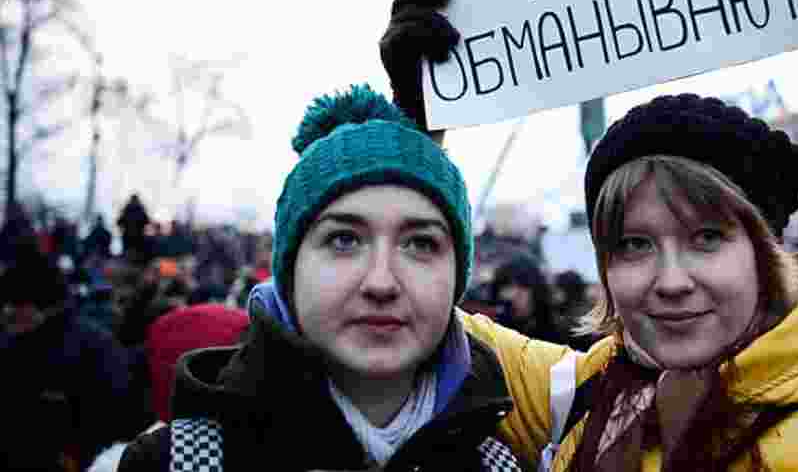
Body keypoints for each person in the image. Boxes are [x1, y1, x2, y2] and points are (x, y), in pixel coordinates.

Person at [383, 0, 798, 471]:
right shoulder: (579, 394)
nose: (670, 281)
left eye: (707, 238)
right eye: (633, 245)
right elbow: (399, 304)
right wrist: (416, 126)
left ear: (767, 253)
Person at [118, 84, 522, 471]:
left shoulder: (498, 464)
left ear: (457, 277)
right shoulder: (176, 462)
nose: (381, 283)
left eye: (420, 243)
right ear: (289, 272)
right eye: (344, 239)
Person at [0, 252, 149, 471]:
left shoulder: (92, 349)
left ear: (43, 307)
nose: (6, 311)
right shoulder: (12, 342)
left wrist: (74, 456)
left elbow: (115, 417)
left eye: (15, 304)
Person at [490, 253, 566, 344]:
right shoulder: (497, 328)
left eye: (522, 287)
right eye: (509, 287)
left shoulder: (555, 329)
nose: (514, 294)